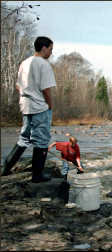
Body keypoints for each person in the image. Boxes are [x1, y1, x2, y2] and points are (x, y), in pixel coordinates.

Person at [1, 36, 56, 183]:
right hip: (40, 107)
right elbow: (46, 89)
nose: (51, 52)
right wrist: (50, 105)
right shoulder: (44, 64)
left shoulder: (24, 63)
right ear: (44, 48)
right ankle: (37, 175)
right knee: (42, 140)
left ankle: (5, 168)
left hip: (25, 106)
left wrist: (28, 94)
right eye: (50, 49)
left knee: (24, 138)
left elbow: (18, 86)